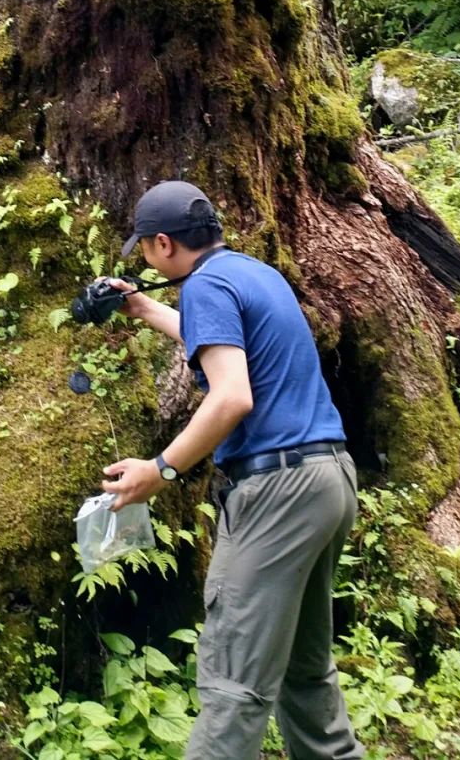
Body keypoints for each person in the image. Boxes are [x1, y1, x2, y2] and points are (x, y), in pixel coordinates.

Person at [100, 179, 364, 760]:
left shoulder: (206, 286)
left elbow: (231, 396)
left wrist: (161, 470)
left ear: (163, 245)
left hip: (277, 490)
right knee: (303, 667)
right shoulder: (253, 274)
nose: (144, 257)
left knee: (234, 681)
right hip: (328, 478)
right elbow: (227, 344)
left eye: (143, 248)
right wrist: (145, 307)